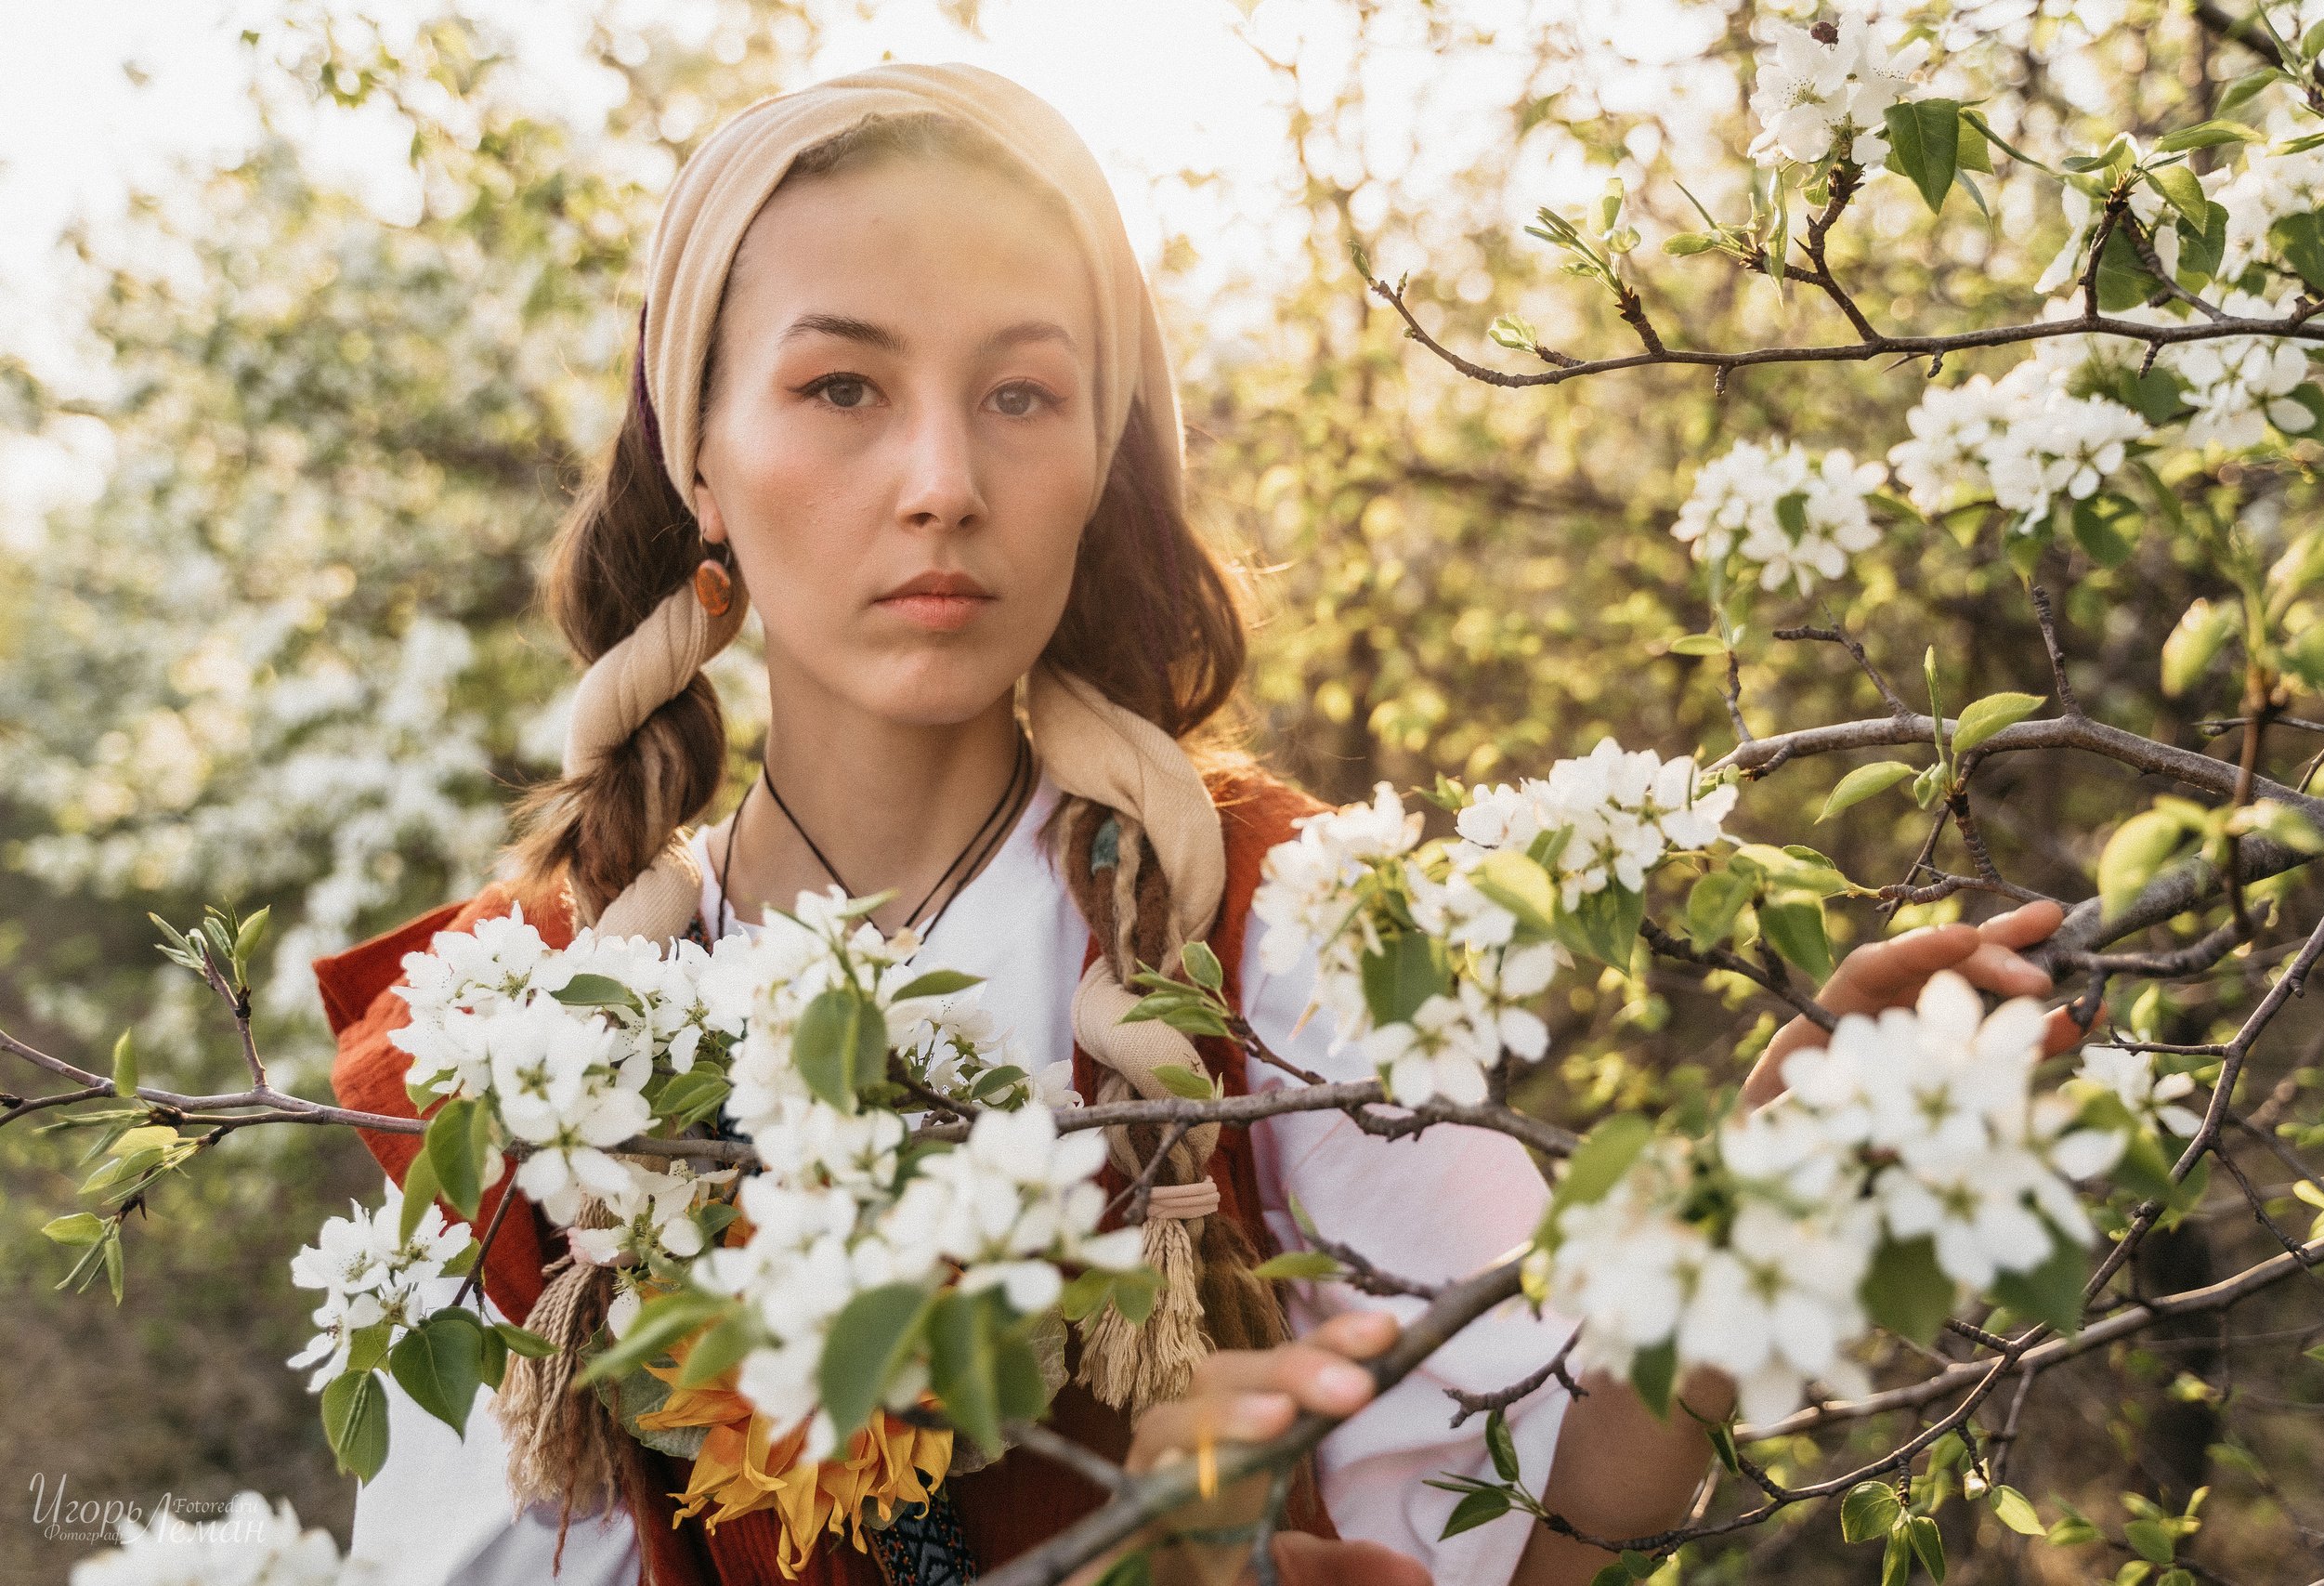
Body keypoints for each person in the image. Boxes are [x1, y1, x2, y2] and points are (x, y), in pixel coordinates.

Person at [312, 62, 2090, 1586]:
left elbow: (1533, 1544)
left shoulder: (1269, 924)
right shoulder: (523, 1034)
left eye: (1022, 393)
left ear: (1101, 456)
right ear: (699, 445)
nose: (943, 480)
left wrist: (1746, 1214)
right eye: (841, 385)